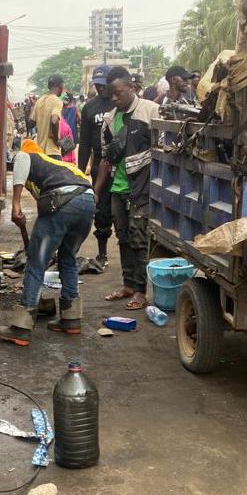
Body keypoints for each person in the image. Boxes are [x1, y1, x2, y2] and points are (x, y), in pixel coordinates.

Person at [0, 139, 95, 346]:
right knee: (68, 258)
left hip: (64, 199)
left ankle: (21, 327)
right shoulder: (58, 167)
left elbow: (22, 159)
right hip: (87, 202)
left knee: (36, 262)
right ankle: (71, 318)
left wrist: (16, 205)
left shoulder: (28, 155)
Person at [97, 66, 159, 311]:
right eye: (110, 94)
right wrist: (97, 189)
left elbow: (164, 152)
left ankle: (141, 291)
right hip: (118, 187)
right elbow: (105, 158)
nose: (114, 98)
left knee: (139, 239)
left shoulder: (150, 111)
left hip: (141, 189)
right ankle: (128, 285)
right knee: (123, 237)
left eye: (118, 93)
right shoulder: (109, 119)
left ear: (131, 87)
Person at [78, 63, 113, 268]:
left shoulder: (119, 103)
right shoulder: (89, 107)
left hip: (120, 164)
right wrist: (80, 172)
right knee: (101, 209)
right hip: (99, 164)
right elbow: (84, 143)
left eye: (103, 84)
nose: (100, 88)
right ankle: (102, 253)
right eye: (97, 85)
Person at [30, 75, 64, 159]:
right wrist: (57, 140)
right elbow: (54, 121)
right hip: (52, 151)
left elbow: (31, 123)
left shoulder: (39, 101)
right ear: (60, 86)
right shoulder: (57, 101)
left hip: (40, 151)